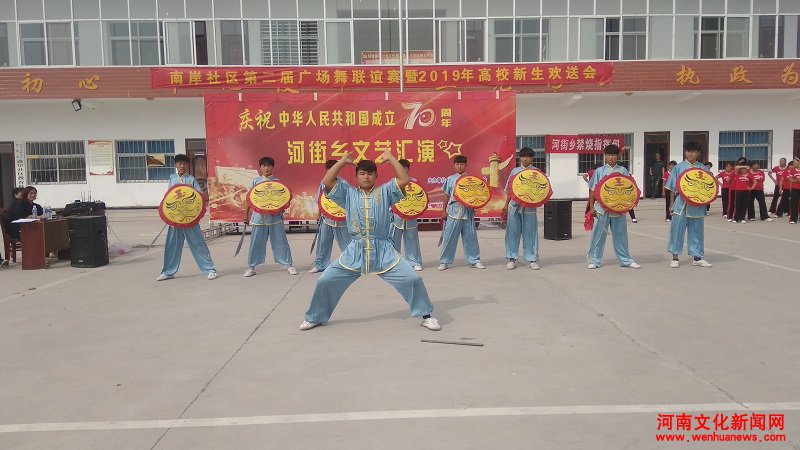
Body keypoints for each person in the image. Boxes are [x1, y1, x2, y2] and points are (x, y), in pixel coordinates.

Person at [300, 149, 441, 332]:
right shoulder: (347, 193)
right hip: (355, 250)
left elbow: (404, 179)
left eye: (370, 174)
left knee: (412, 278)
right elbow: (327, 181)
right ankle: (315, 317)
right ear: (357, 176)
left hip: (383, 250)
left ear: (376, 176)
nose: (366, 177)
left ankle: (426, 316)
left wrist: (391, 158)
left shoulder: (386, 191)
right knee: (325, 280)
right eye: (362, 173)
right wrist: (342, 162)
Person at [156, 154, 218, 281]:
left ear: (188, 165)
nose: (182, 166)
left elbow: (200, 197)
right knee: (172, 245)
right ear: (175, 165)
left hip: (190, 218)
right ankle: (168, 271)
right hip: (175, 219)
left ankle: (210, 269)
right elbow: (169, 197)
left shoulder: (191, 179)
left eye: (184, 164)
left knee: (198, 244)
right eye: (180, 164)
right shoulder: (172, 178)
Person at [586, 144, 641, 269]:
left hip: (618, 209)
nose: (610, 157)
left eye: (613, 155)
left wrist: (629, 204)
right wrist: (592, 206)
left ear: (618, 156)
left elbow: (630, 188)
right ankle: (595, 260)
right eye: (608, 155)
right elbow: (592, 190)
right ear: (605, 156)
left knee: (621, 235)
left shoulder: (623, 171)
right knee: (598, 235)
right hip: (601, 209)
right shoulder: (599, 171)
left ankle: (626, 260)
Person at [243, 156, 297, 277]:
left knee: (281, 241)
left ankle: (289, 265)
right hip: (258, 218)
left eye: (269, 166)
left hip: (275, 218)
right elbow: (248, 199)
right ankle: (251, 267)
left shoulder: (278, 183)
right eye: (264, 166)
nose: (266, 168)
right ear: (260, 167)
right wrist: (246, 214)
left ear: (272, 167)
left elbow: (284, 199)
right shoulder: (255, 182)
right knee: (255, 242)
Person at [665, 141, 712, 268]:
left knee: (697, 232)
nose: (690, 154)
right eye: (688, 151)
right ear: (685, 152)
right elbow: (672, 187)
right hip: (680, 204)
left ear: (698, 153)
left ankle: (697, 257)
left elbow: (709, 188)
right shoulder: (678, 167)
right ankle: (675, 258)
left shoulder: (703, 169)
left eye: (693, 151)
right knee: (676, 231)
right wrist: (671, 204)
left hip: (697, 206)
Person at [438, 155, 485, 271]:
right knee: (449, 237)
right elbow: (446, 195)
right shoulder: (450, 179)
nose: (459, 166)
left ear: (465, 165)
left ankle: (475, 260)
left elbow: (477, 195)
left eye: (462, 164)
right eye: (457, 164)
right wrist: (443, 210)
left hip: (467, 212)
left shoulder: (471, 179)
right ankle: (445, 261)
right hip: (453, 211)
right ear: (454, 165)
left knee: (471, 237)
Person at [502, 147, 541, 270]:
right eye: (523, 156)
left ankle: (532, 259)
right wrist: (505, 205)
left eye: (528, 156)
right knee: (512, 233)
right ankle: (512, 258)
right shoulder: (515, 171)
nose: (525, 159)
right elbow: (509, 190)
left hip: (530, 209)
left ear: (532, 158)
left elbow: (541, 191)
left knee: (530, 234)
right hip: (514, 207)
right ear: (520, 158)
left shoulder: (537, 172)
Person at [310, 160, 352, 273]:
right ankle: (320, 265)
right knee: (323, 242)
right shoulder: (323, 182)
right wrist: (318, 214)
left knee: (347, 242)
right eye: (329, 170)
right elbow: (320, 199)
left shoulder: (344, 183)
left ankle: (351, 264)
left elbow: (348, 201)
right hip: (326, 218)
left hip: (341, 219)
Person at [391, 159, 423, 271]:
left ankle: (414, 262)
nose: (402, 170)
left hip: (411, 216)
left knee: (412, 239)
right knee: (393, 240)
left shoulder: (415, 182)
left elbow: (420, 199)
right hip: (396, 217)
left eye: (404, 168)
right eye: (400, 167)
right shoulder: (392, 183)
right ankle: (394, 262)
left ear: (408, 169)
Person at [787, 158, 800, 224]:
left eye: (795, 162)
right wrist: (797, 180)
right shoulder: (793, 170)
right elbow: (790, 179)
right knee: (794, 204)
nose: (793, 163)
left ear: (798, 162)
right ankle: (793, 219)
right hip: (795, 189)